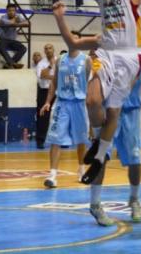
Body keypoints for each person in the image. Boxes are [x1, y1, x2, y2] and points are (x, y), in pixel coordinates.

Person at [34, 0, 141, 187]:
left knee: (113, 110)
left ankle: (101, 155)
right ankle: (99, 142)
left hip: (128, 54)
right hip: (106, 51)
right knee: (92, 101)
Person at [51, 2, 141, 224]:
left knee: (135, 160)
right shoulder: (103, 41)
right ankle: (95, 204)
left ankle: (134, 199)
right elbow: (74, 43)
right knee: (102, 157)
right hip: (108, 110)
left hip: (131, 109)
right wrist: (60, 18)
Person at [40, 33, 90, 187]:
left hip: (80, 103)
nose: (71, 40)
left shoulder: (86, 60)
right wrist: (47, 102)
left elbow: (90, 84)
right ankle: (52, 175)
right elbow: (54, 82)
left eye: (75, 38)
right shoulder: (60, 60)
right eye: (69, 38)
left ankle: (81, 169)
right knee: (55, 139)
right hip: (62, 103)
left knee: (81, 140)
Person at [35, 43, 56, 148]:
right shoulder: (41, 63)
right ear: (44, 51)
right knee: (43, 116)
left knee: (61, 115)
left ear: (53, 49)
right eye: (46, 48)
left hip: (57, 91)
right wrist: (50, 66)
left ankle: (61, 140)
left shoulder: (60, 61)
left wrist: (49, 76)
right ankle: (40, 140)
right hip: (44, 91)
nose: (48, 50)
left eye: (50, 48)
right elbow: (42, 76)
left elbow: (61, 76)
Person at [0, 3, 29, 70]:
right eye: (9, 10)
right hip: (2, 38)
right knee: (0, 47)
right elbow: (10, 23)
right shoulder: (3, 17)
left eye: (13, 10)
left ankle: (9, 63)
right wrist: (16, 21)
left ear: (15, 11)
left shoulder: (18, 16)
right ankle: (12, 63)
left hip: (12, 40)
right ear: (7, 11)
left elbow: (27, 23)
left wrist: (18, 23)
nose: (11, 12)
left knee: (23, 48)